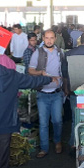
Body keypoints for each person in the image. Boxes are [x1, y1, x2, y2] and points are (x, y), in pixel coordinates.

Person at [28, 29, 70, 158]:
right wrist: (41, 73)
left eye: (52, 38)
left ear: (55, 39)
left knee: (57, 120)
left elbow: (64, 72)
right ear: (43, 38)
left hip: (57, 93)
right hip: (42, 93)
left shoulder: (61, 53)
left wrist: (66, 88)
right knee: (43, 122)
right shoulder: (37, 53)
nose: (49, 40)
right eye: (47, 38)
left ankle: (57, 141)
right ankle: (44, 148)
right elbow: (30, 70)